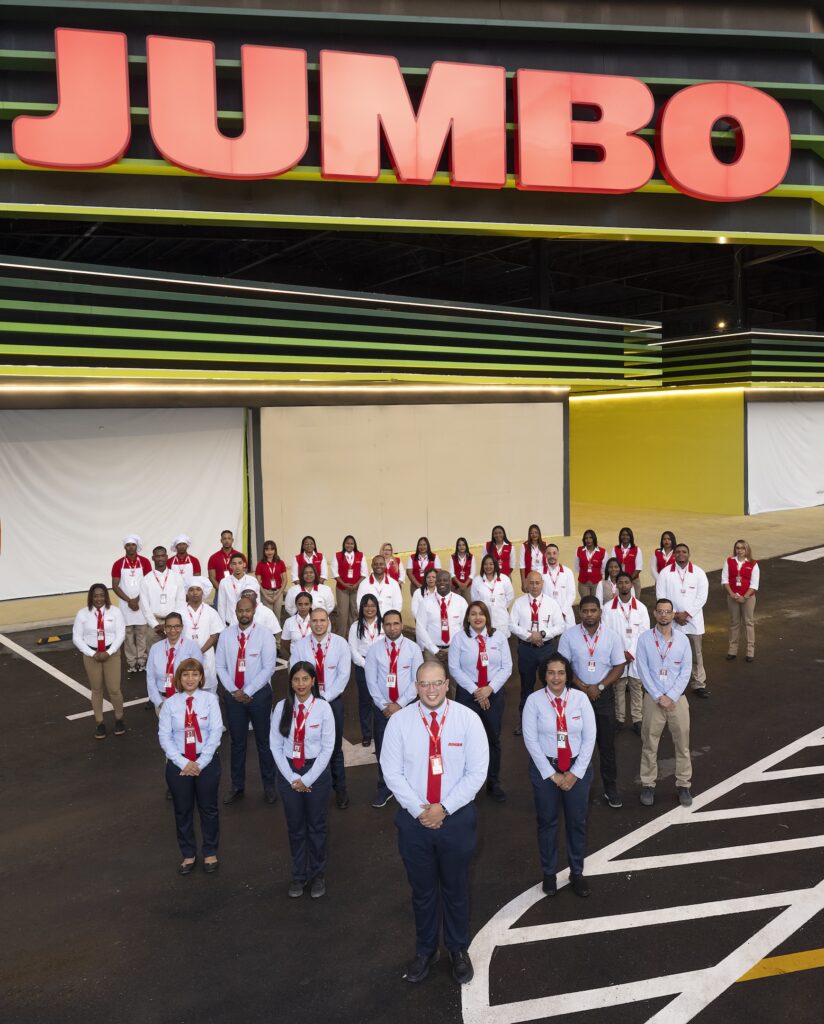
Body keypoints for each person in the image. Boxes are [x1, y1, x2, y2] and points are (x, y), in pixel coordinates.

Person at [380, 660, 489, 985]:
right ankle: (426, 950)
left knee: (456, 889)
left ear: (447, 685)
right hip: (414, 824)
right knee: (423, 891)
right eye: (424, 684)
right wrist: (419, 811)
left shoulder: (467, 720)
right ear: (416, 687)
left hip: (456, 820)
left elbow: (477, 772)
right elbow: (392, 772)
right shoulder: (399, 723)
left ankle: (457, 949)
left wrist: (444, 808)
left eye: (437, 683)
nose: (431, 690)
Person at [522, 653, 597, 897]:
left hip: (577, 768)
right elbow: (531, 740)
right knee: (547, 822)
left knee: (577, 823)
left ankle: (577, 872)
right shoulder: (534, 701)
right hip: (545, 769)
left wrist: (575, 773)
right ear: (544, 675)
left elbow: (589, 738)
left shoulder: (580, 699)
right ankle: (549, 873)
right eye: (551, 672)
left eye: (561, 673)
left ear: (568, 675)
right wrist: (552, 775)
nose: (556, 677)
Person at [270, 661, 336, 898]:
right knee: (296, 828)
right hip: (289, 774)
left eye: (305, 679)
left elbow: (328, 748)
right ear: (290, 682)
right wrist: (291, 778)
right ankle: (299, 875)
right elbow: (275, 746)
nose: (300, 684)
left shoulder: (323, 708)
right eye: (296, 679)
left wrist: (307, 779)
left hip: (315, 773)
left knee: (317, 827)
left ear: (313, 682)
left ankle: (318, 874)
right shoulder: (281, 708)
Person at [558, 597, 626, 808]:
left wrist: (600, 687)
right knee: (573, 745)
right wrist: (583, 687)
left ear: (600, 613)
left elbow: (619, 666)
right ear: (579, 613)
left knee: (606, 745)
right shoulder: (569, 636)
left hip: (603, 696)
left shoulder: (612, 637)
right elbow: (562, 667)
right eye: (585, 611)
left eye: (593, 611)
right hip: (576, 696)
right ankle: (574, 788)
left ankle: (610, 789)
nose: (589, 615)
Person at [158, 658, 223, 874]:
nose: (190, 679)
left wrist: (201, 762)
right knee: (182, 811)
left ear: (201, 677)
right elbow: (164, 737)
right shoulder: (170, 704)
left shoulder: (210, 700)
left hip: (206, 762)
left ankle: (210, 851)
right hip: (180, 765)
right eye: (185, 674)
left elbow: (215, 732)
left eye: (195, 674)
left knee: (209, 809)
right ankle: (188, 854)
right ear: (179, 678)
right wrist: (185, 763)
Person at [215, 596, 278, 805]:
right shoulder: (225, 636)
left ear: (254, 610)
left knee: (264, 743)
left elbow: (268, 667)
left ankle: (269, 786)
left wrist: (248, 690)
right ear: (235, 612)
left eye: (247, 610)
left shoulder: (265, 635)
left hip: (259, 695)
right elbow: (220, 667)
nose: (243, 614)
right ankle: (237, 786)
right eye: (240, 611)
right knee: (237, 743)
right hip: (233, 697)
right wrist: (234, 690)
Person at [448, 601, 512, 803]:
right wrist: (477, 691)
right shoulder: (459, 639)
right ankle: (467, 787)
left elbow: (507, 667)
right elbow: (454, 668)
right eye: (473, 614)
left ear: (487, 617)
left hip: (493, 692)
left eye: (481, 614)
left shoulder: (498, 637)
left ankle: (493, 783)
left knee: (493, 739)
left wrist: (489, 689)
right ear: (467, 617)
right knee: (467, 741)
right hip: (468, 694)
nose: (477, 617)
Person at [290, 608, 352, 809]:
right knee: (311, 746)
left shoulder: (340, 644)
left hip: (332, 702)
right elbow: (295, 674)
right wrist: (312, 699)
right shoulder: (300, 646)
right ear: (310, 623)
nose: (318, 624)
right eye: (314, 620)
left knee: (334, 748)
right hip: (306, 702)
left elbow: (343, 676)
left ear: (328, 622)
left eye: (322, 620)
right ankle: (315, 788)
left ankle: (340, 789)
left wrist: (324, 699)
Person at [635, 599, 694, 807]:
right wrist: (659, 696)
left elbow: (686, 671)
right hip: (653, 700)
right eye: (660, 611)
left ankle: (684, 784)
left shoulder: (682, 640)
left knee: (682, 745)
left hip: (678, 700)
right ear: (654, 613)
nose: (664, 616)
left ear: (672, 614)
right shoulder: (644, 639)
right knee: (649, 744)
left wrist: (672, 696)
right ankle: (648, 784)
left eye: (667, 612)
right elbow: (642, 670)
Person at [365, 609, 423, 808]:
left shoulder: (413, 649)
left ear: (401, 625)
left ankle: (412, 786)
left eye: (396, 623)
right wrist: (385, 706)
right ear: (383, 627)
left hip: (407, 709)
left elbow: (418, 681)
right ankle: (385, 788)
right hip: (383, 711)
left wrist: (399, 705)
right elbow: (371, 682)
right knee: (383, 750)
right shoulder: (374, 650)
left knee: (411, 748)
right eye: (388, 624)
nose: (392, 628)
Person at [509, 571, 565, 734]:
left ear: (542, 583)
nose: (534, 586)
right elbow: (512, 625)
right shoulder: (519, 603)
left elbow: (560, 626)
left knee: (551, 684)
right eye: (531, 583)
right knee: (526, 686)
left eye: (537, 583)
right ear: (526, 584)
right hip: (526, 649)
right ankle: (524, 722)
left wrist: (541, 634)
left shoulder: (551, 603)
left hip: (546, 648)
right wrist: (529, 637)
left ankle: (553, 720)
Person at [73, 583, 127, 739]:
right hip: (92, 655)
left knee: (114, 689)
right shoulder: (83, 614)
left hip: (112, 653)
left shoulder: (115, 612)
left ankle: (119, 719)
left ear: (106, 596)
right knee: (96, 689)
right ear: (91, 597)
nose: (99, 599)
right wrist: (92, 653)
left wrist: (109, 652)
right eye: (95, 595)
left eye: (102, 595)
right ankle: (99, 723)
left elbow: (121, 634)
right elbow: (77, 637)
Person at [656, 543, 710, 698]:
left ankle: (698, 683)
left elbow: (702, 597)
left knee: (695, 654)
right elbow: (661, 596)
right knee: (671, 654)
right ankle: (672, 684)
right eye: (678, 552)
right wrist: (673, 614)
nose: (681, 554)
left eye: (684, 552)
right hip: (672, 622)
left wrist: (686, 614)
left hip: (692, 622)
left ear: (689, 554)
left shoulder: (699, 573)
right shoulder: (665, 573)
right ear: (674, 555)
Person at [602, 572, 650, 734]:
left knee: (637, 688)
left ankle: (637, 720)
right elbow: (606, 634)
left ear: (631, 585)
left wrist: (630, 652)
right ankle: (619, 719)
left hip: (636, 656)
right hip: (617, 656)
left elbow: (644, 634)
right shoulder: (608, 609)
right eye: (620, 582)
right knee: (619, 688)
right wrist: (621, 654)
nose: (623, 585)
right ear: (616, 585)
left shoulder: (641, 608)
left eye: (626, 582)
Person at [146, 613, 203, 713]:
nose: (173, 630)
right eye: (169, 627)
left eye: (177, 626)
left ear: (182, 628)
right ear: (164, 628)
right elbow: (150, 677)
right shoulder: (155, 648)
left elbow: (197, 676)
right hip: (162, 701)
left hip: (185, 700)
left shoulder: (192, 646)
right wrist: (159, 703)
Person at [111, 534, 151, 674]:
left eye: (133, 544)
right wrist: (129, 600)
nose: (130, 547)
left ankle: (142, 661)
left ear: (136, 546)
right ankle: (132, 662)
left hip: (141, 602)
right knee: (127, 634)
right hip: (125, 604)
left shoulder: (145, 562)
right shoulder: (118, 564)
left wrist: (137, 600)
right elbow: (115, 585)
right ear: (124, 547)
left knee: (141, 633)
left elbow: (148, 583)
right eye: (128, 545)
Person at [415, 570, 468, 675]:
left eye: (445, 580)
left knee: (455, 685)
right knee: (434, 684)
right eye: (439, 580)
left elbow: (465, 627)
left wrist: (455, 649)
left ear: (450, 582)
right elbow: (420, 628)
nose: (442, 583)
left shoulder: (461, 601)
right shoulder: (426, 602)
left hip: (455, 651)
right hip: (432, 653)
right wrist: (435, 650)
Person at [348, 594, 383, 747]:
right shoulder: (355, 626)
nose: (370, 608)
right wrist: (365, 664)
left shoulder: (383, 624)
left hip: (383, 667)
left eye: (373, 605)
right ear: (362, 607)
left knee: (381, 699)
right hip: (363, 667)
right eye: (366, 605)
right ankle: (367, 733)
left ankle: (380, 731)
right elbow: (352, 649)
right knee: (365, 701)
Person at [139, 546, 186, 650]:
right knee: (153, 652)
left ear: (166, 557)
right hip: (154, 624)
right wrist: (155, 625)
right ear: (153, 558)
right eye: (157, 556)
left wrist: (172, 622)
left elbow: (181, 601)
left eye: (162, 555)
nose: (160, 558)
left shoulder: (176, 577)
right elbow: (144, 605)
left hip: (174, 622)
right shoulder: (146, 579)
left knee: (175, 650)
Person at [182, 577, 224, 693]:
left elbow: (214, 635)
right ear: (187, 592)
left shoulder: (211, 612)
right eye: (191, 590)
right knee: (187, 688)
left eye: (198, 589)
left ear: (203, 592)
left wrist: (199, 652)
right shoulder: (179, 611)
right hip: (185, 655)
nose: (195, 593)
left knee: (208, 688)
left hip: (206, 655)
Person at [722, 539, 760, 662]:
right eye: (737, 548)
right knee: (734, 623)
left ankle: (750, 651)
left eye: (742, 548)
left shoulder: (753, 564)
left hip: (748, 598)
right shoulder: (729, 561)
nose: (740, 550)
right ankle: (732, 650)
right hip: (732, 597)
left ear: (747, 550)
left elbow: (754, 584)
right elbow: (725, 580)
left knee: (748, 622)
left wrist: (745, 596)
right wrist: (732, 594)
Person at [332, 534, 367, 636]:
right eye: (347, 543)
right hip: (342, 588)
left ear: (354, 545)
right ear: (344, 544)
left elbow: (364, 573)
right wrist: (345, 584)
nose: (349, 545)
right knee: (342, 614)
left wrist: (356, 584)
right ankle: (341, 637)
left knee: (355, 612)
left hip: (356, 588)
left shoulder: (360, 555)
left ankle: (354, 636)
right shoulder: (338, 555)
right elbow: (335, 574)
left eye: (351, 543)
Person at [470, 553, 514, 636]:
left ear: (495, 565)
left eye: (491, 564)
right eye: (485, 564)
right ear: (482, 566)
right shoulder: (477, 580)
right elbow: (474, 599)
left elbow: (510, 597)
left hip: (501, 619)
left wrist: (500, 605)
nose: (488, 566)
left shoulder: (504, 579)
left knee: (502, 644)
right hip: (484, 620)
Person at [217, 554, 260, 626]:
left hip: (248, 622)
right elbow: (221, 605)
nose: (237, 566)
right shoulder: (224, 582)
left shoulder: (252, 580)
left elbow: (257, 603)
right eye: (234, 564)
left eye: (240, 563)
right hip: (230, 623)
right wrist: (223, 626)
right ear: (230, 566)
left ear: (244, 564)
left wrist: (255, 622)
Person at [255, 540, 288, 623]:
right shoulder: (260, 564)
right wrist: (265, 596)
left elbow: (285, 580)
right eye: (267, 549)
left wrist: (279, 594)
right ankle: (269, 636)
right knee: (268, 619)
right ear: (264, 551)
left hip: (278, 592)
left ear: (275, 550)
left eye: (272, 549)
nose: (269, 552)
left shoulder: (280, 563)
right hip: (266, 593)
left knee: (277, 618)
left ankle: (278, 636)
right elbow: (258, 582)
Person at [543, 544, 577, 625]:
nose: (552, 556)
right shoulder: (540, 573)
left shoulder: (568, 572)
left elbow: (571, 594)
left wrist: (563, 612)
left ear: (558, 554)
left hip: (565, 613)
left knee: (568, 636)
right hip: (548, 613)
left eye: (554, 553)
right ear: (545, 555)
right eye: (549, 553)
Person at [574, 529, 606, 599]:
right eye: (586, 538)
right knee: (586, 602)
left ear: (594, 538)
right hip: (583, 583)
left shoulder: (602, 551)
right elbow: (577, 567)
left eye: (590, 538)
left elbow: (604, 568)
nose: (588, 540)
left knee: (596, 602)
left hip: (597, 583)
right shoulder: (579, 550)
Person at [281, 591, 313, 659]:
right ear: (296, 605)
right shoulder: (289, 622)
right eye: (300, 604)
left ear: (311, 605)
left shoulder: (316, 621)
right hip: (295, 658)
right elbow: (285, 643)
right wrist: (294, 654)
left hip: (313, 658)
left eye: (306, 604)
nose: (303, 607)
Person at [613, 526, 643, 597]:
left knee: (634, 603)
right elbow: (613, 565)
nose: (625, 537)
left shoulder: (637, 549)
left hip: (634, 581)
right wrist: (620, 581)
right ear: (620, 536)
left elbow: (638, 568)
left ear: (631, 537)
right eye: (623, 535)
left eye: (627, 535)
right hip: (619, 581)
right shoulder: (615, 549)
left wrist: (628, 580)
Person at [518, 523, 548, 591]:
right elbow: (522, 565)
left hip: (543, 576)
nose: (534, 535)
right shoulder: (524, 546)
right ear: (529, 535)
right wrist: (523, 582)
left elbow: (548, 563)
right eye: (531, 533)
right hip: (531, 576)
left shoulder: (545, 545)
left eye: (536, 532)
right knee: (532, 596)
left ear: (539, 533)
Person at [450, 537, 475, 602]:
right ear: (457, 546)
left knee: (468, 603)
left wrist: (465, 584)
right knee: (456, 603)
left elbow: (473, 572)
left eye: (463, 545)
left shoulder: (471, 557)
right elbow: (451, 573)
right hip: (456, 586)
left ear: (466, 546)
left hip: (468, 586)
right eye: (459, 545)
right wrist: (459, 584)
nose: (461, 547)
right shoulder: (452, 557)